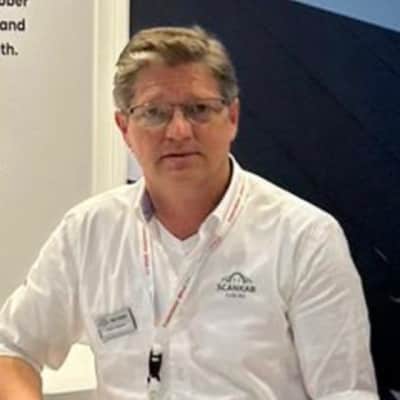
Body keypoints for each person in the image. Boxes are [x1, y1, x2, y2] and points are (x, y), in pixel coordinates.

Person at [0, 26, 378, 400]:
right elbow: (12, 349)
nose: (179, 131)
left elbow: (345, 392)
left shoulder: (305, 238)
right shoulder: (89, 231)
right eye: (154, 112)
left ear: (232, 117)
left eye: (199, 110)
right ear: (124, 128)